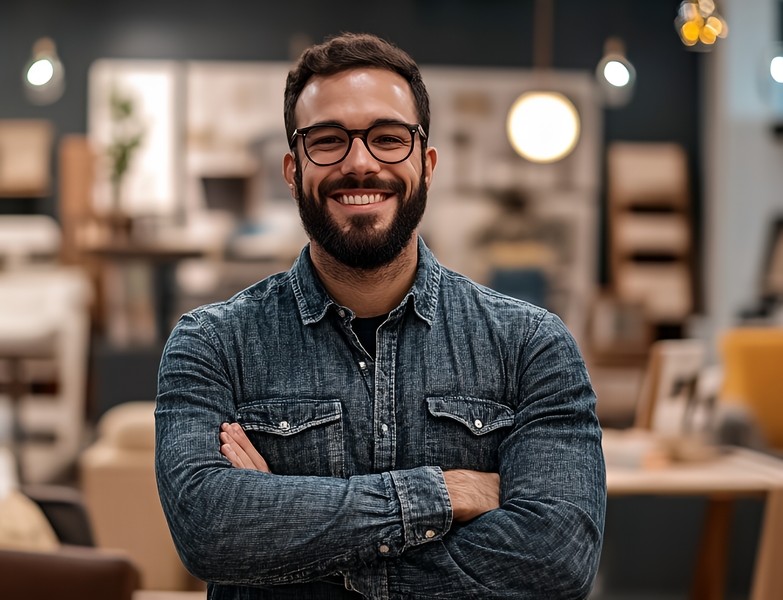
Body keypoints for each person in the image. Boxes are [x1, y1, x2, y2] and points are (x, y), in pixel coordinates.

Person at [155, 33, 605, 599]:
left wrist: (301, 551)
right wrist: (444, 494)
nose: (360, 163)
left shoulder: (532, 346)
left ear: (427, 163)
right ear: (294, 170)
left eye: (389, 138)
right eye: (328, 141)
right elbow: (208, 530)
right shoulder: (213, 343)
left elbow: (558, 558)